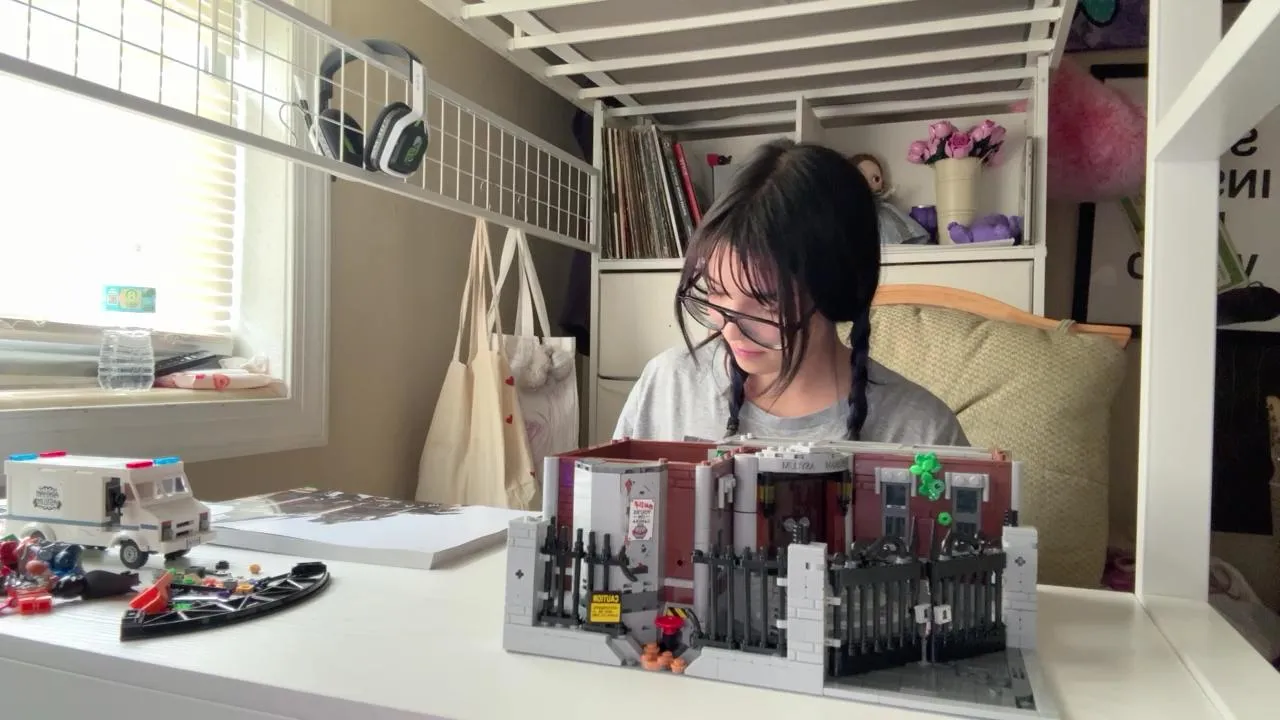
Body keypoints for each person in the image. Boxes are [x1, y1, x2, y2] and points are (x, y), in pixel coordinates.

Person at [614, 139, 967, 447]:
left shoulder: (923, 432)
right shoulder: (666, 386)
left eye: (767, 301)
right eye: (717, 291)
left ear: (838, 289)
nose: (730, 329)